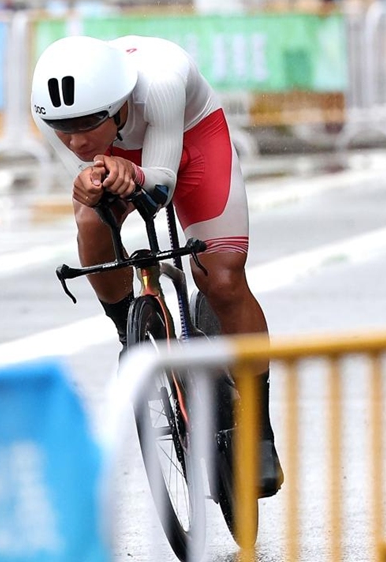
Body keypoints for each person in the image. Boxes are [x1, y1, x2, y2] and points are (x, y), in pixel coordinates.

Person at [31, 34, 283, 497]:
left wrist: (138, 176)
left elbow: (161, 186)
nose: (76, 140)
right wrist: (89, 185)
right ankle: (128, 329)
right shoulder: (55, 118)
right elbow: (84, 177)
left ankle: (259, 426)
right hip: (122, 153)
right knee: (90, 219)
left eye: (87, 124)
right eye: (64, 128)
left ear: (118, 106)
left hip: (191, 140)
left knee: (222, 279)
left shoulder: (160, 85)